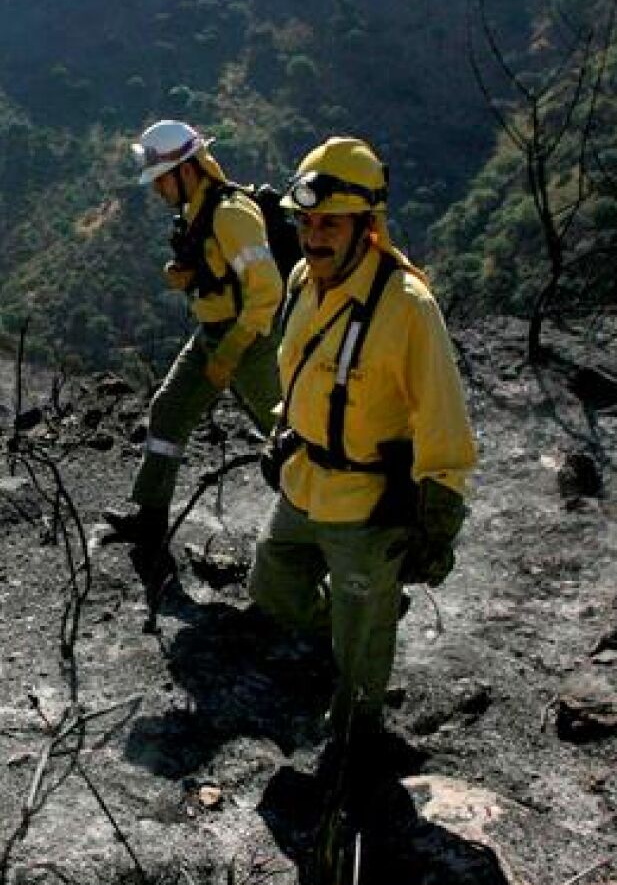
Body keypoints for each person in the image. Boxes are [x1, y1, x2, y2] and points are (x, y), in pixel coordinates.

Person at [247, 137, 477, 755]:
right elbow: (299, 368)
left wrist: (438, 517)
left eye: (330, 224)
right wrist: (281, 429)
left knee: (359, 651)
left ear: (367, 228)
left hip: (366, 504)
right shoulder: (303, 280)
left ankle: (355, 738)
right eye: (307, 222)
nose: (313, 237)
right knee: (272, 588)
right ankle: (368, 615)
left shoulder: (407, 309)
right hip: (303, 480)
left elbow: (442, 418)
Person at [105, 119, 284, 586]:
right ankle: (150, 520)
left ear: (186, 170)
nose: (157, 189)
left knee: (290, 438)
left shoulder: (230, 214)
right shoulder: (196, 211)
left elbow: (266, 291)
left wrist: (231, 351)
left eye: (161, 178)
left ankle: (329, 535)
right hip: (212, 333)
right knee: (168, 413)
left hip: (250, 342)